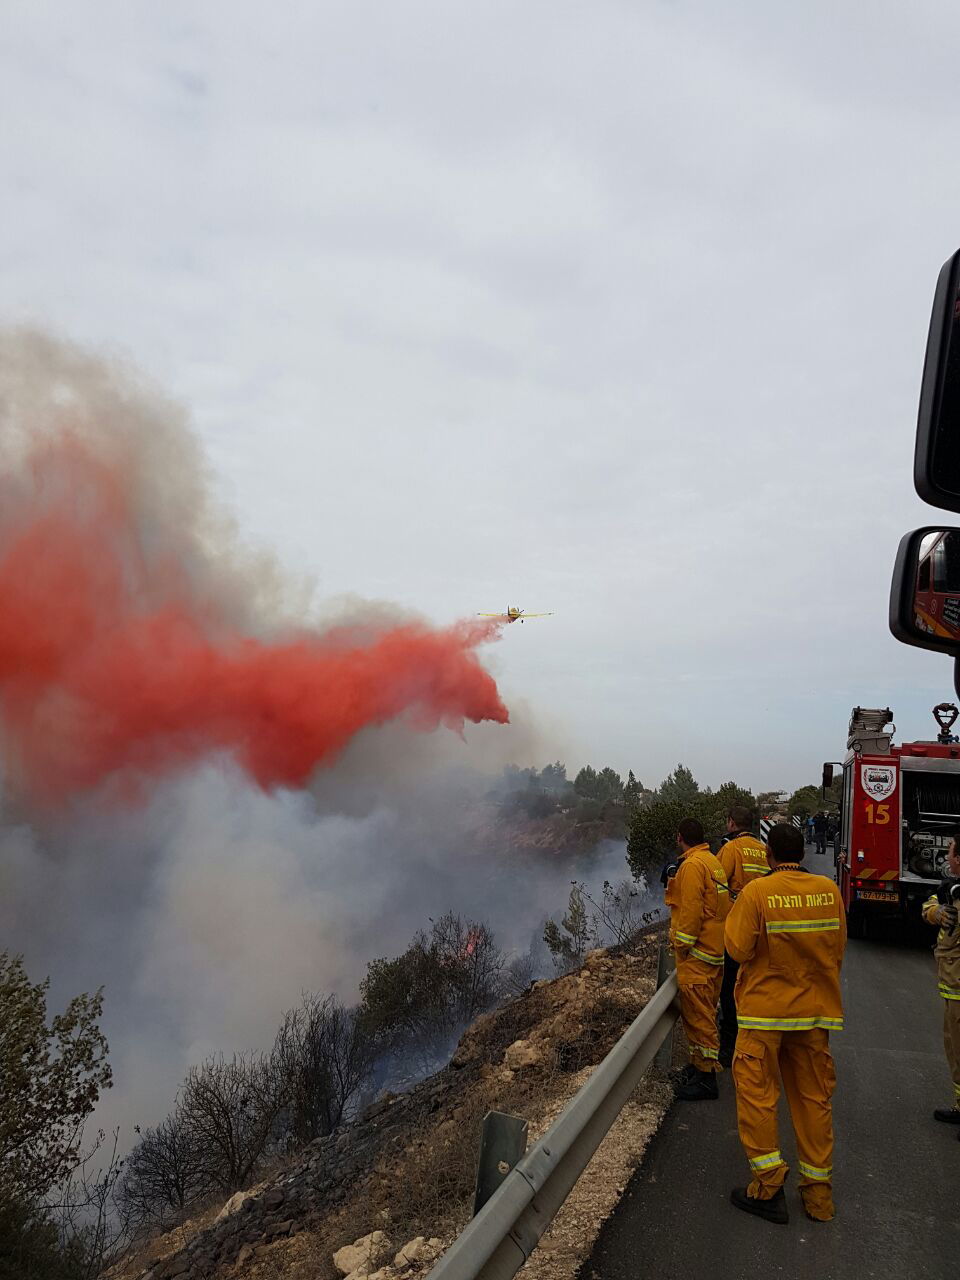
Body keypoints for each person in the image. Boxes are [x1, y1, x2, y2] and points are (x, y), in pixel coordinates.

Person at [724, 822, 846, 1224]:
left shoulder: (758, 892)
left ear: (768, 854)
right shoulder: (829, 891)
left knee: (758, 1096)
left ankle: (768, 1185)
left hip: (764, 1014)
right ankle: (819, 1197)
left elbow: (737, 949)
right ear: (803, 853)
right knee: (814, 1100)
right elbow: (837, 947)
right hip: (813, 1014)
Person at [664, 816, 731, 1100]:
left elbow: (690, 910)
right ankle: (697, 1066)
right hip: (715, 951)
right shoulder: (712, 860)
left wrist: (681, 945)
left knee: (699, 1017)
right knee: (703, 1013)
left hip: (697, 956)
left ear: (679, 837)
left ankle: (706, 1079)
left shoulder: (692, 866)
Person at [717, 806, 769, 1067]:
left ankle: (730, 1044)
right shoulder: (763, 849)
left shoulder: (731, 849)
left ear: (731, 823)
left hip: (737, 928)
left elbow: (716, 886)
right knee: (754, 984)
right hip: (764, 929)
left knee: (729, 986)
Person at [922, 833, 960, 1130]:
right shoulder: (951, 889)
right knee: (954, 1047)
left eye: (950, 851)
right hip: (953, 983)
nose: (947, 856)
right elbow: (930, 905)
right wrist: (937, 912)